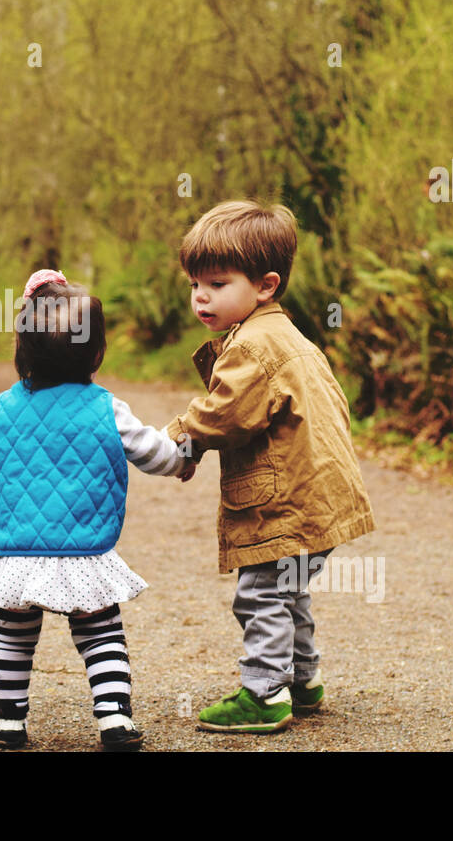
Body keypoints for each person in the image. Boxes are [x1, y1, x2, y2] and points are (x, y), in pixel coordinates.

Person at [0, 270, 192, 751]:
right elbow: (158, 455)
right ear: (96, 352)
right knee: (101, 632)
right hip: (85, 549)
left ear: (22, 349)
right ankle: (113, 720)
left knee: (12, 638)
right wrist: (187, 454)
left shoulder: (2, 408)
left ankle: (8, 723)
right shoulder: (108, 408)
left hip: (16, 552)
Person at [164, 199, 375, 733]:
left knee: (261, 594)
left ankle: (264, 693)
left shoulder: (254, 347)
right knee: (291, 588)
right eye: (195, 285)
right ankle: (303, 678)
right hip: (319, 498)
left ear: (265, 285)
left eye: (217, 283)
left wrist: (179, 438)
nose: (201, 297)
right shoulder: (288, 336)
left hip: (286, 501)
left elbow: (225, 414)